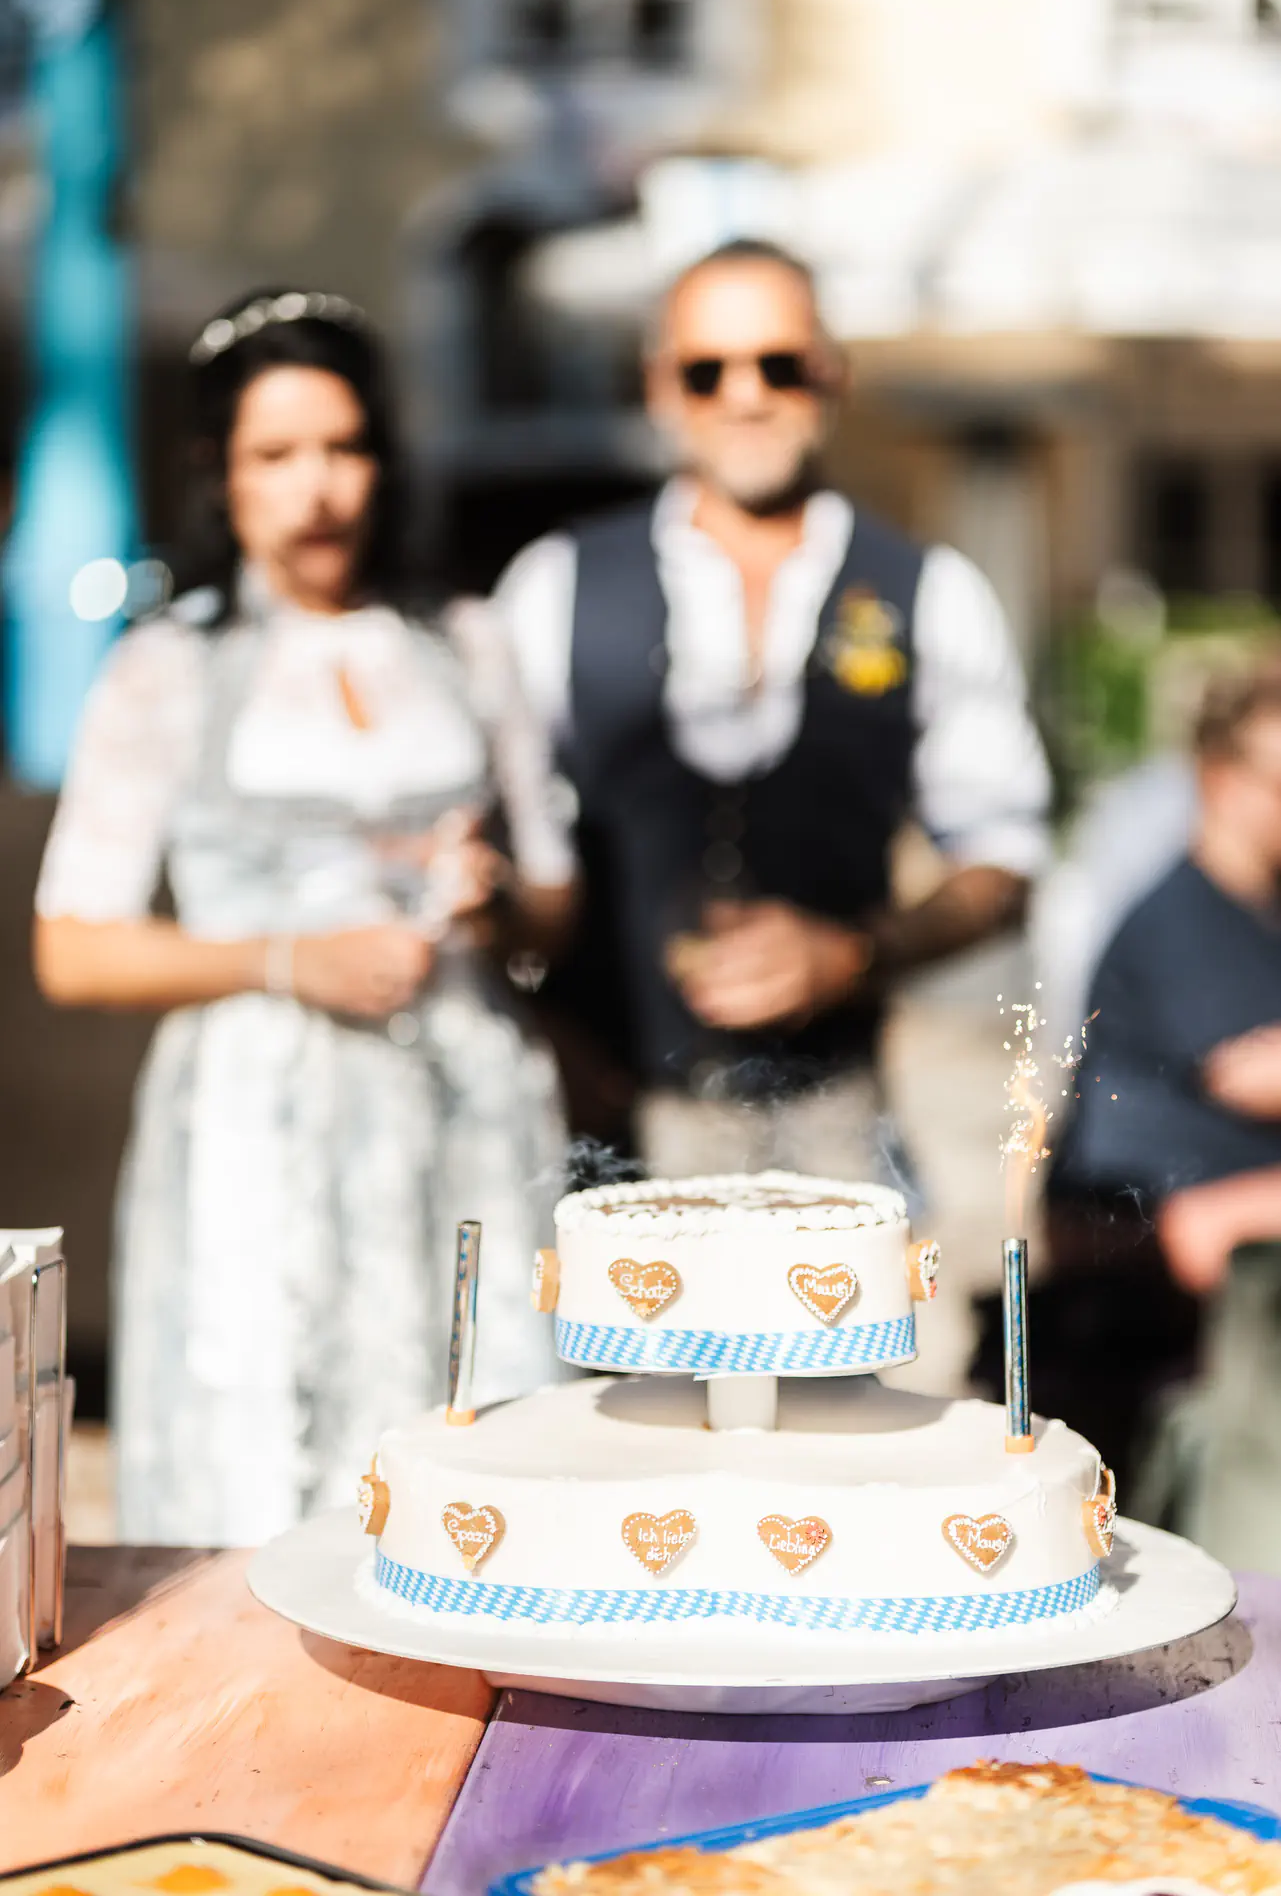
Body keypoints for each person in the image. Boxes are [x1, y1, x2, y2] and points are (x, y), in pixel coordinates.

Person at [33, 289, 575, 1545]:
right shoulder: (170, 666)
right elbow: (74, 947)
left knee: (484, 1439)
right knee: (266, 1461)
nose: (317, 489)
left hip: (466, 1103)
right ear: (221, 474)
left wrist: (495, 899)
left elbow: (555, 906)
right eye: (276, 455)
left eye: (343, 448)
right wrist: (287, 960)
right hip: (258, 1121)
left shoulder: (468, 642)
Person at [495, 240, 1051, 1180]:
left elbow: (1002, 859)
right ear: (660, 387)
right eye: (707, 371)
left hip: (835, 1124)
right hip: (606, 1126)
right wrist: (536, 1023)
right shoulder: (554, 587)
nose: (746, 396)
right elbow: (497, 852)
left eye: (779, 365)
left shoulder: (931, 592)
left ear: (831, 375)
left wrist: (857, 953)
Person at [1053, 661, 1281, 1562]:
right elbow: (1254, 1073)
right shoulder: (1180, 918)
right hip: (1144, 1263)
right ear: (1218, 777)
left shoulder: (1260, 911)